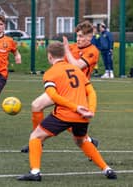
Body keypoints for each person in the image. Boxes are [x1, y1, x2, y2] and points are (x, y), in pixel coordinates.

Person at [17, 42, 117, 182]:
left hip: (64, 114)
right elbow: (91, 92)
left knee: (35, 136)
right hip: (83, 116)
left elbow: (53, 96)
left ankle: (35, 172)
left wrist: (74, 107)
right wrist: (91, 110)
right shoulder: (77, 70)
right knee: (81, 141)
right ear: (64, 55)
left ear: (49, 56)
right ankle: (107, 169)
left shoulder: (50, 73)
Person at [21, 21, 99, 153]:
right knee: (36, 105)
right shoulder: (72, 47)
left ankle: (88, 142)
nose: (78, 39)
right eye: (77, 36)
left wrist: (67, 50)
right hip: (61, 88)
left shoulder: (92, 51)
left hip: (76, 91)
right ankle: (37, 140)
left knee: (67, 119)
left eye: (81, 36)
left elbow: (77, 66)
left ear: (89, 37)